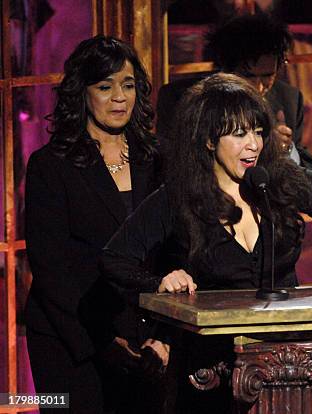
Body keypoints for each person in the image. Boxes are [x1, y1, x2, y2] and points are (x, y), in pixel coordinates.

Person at [102, 73, 312, 412]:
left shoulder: (279, 181)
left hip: (285, 369)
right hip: (208, 373)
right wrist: (161, 283)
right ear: (210, 140)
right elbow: (114, 258)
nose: (254, 144)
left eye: (257, 132)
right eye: (239, 134)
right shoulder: (179, 197)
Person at [25, 36, 166, 413]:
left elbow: (173, 252)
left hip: (147, 343)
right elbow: (50, 267)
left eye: (129, 85)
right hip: (71, 342)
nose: (119, 97)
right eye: (105, 86)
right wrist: (103, 341)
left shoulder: (157, 159)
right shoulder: (50, 166)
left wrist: (164, 335)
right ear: (82, 93)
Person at [156, 13, 312, 169]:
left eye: (268, 75)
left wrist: (286, 149)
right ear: (224, 68)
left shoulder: (289, 100)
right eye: (249, 76)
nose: (259, 87)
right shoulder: (179, 99)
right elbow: (168, 164)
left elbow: (306, 172)